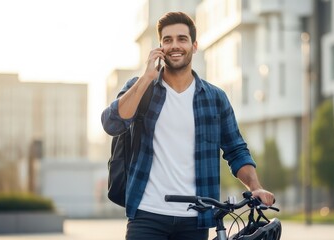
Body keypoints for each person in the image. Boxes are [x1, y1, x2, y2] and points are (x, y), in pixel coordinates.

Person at [101, 11, 275, 240]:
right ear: (160, 47)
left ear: (194, 45)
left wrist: (256, 187)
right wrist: (146, 78)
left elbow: (236, 150)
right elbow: (112, 123)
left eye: (182, 39)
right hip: (147, 215)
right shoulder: (141, 88)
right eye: (167, 40)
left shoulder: (215, 98)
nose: (175, 45)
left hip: (195, 219)